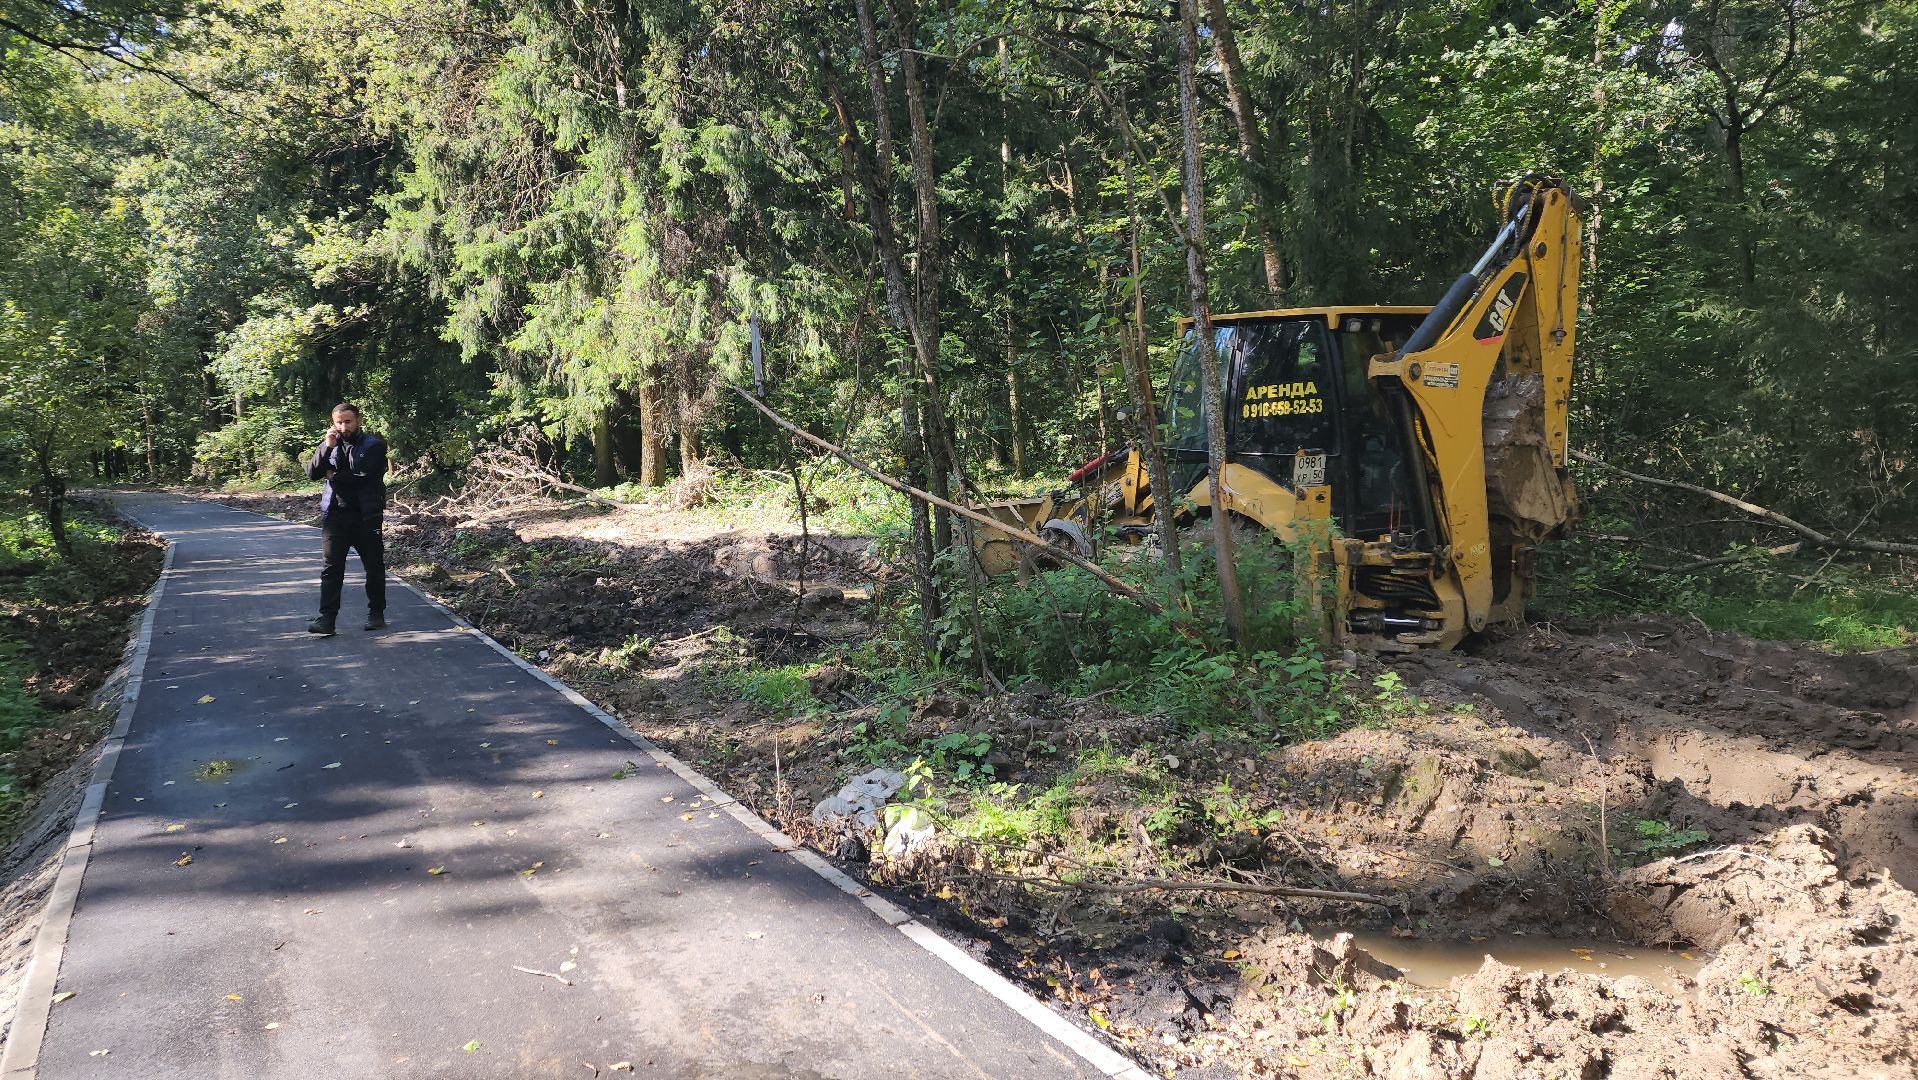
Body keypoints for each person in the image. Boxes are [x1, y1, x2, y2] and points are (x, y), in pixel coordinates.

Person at [305, 404, 388, 635]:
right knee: (331, 568)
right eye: (339, 422)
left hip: (366, 516)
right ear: (333, 422)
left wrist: (333, 475)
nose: (343, 427)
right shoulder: (330, 444)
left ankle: (376, 613)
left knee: (373, 566)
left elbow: (363, 477)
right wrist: (325, 447)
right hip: (335, 517)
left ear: (358, 420)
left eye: (348, 421)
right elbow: (312, 473)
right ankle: (327, 619)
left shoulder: (374, 445)